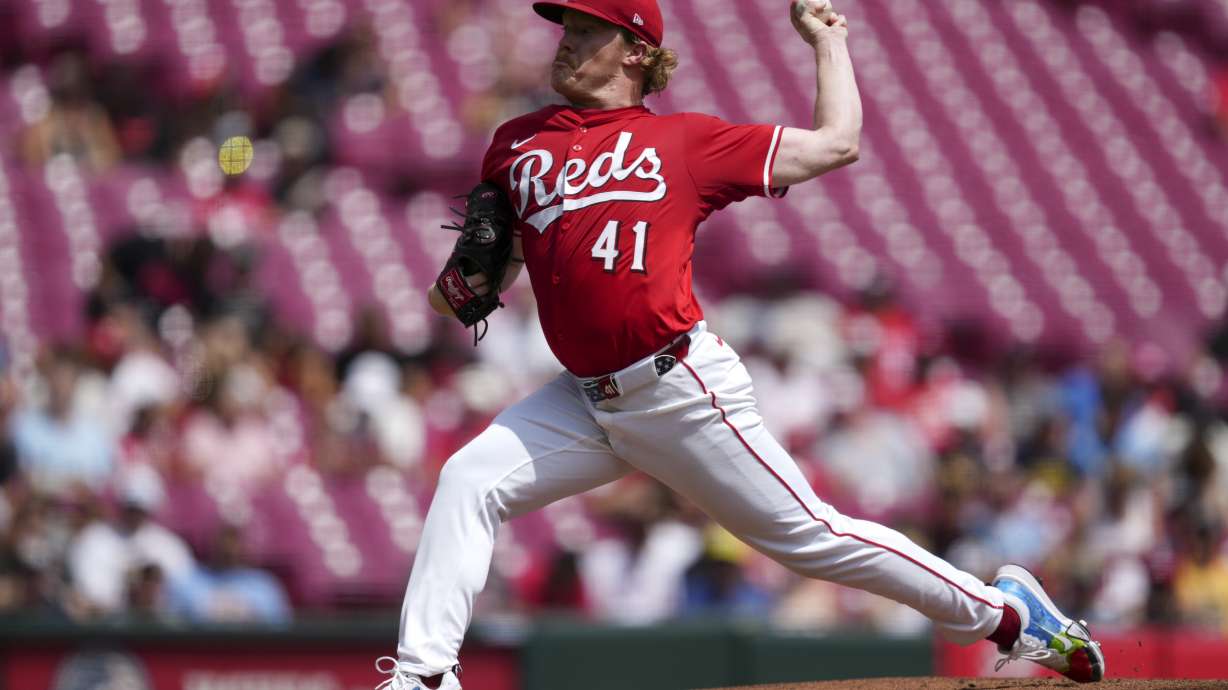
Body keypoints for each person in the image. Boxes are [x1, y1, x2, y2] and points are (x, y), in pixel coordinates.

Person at [376, 2, 1105, 688]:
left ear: (636, 50)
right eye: (565, 24)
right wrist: (468, 279)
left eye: (587, 28)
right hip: (584, 400)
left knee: (812, 538)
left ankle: (1008, 615)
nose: (566, 38)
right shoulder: (517, 144)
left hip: (677, 388)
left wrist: (829, 42)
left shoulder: (684, 141)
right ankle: (425, 675)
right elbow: (465, 290)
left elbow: (836, 143)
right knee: (468, 480)